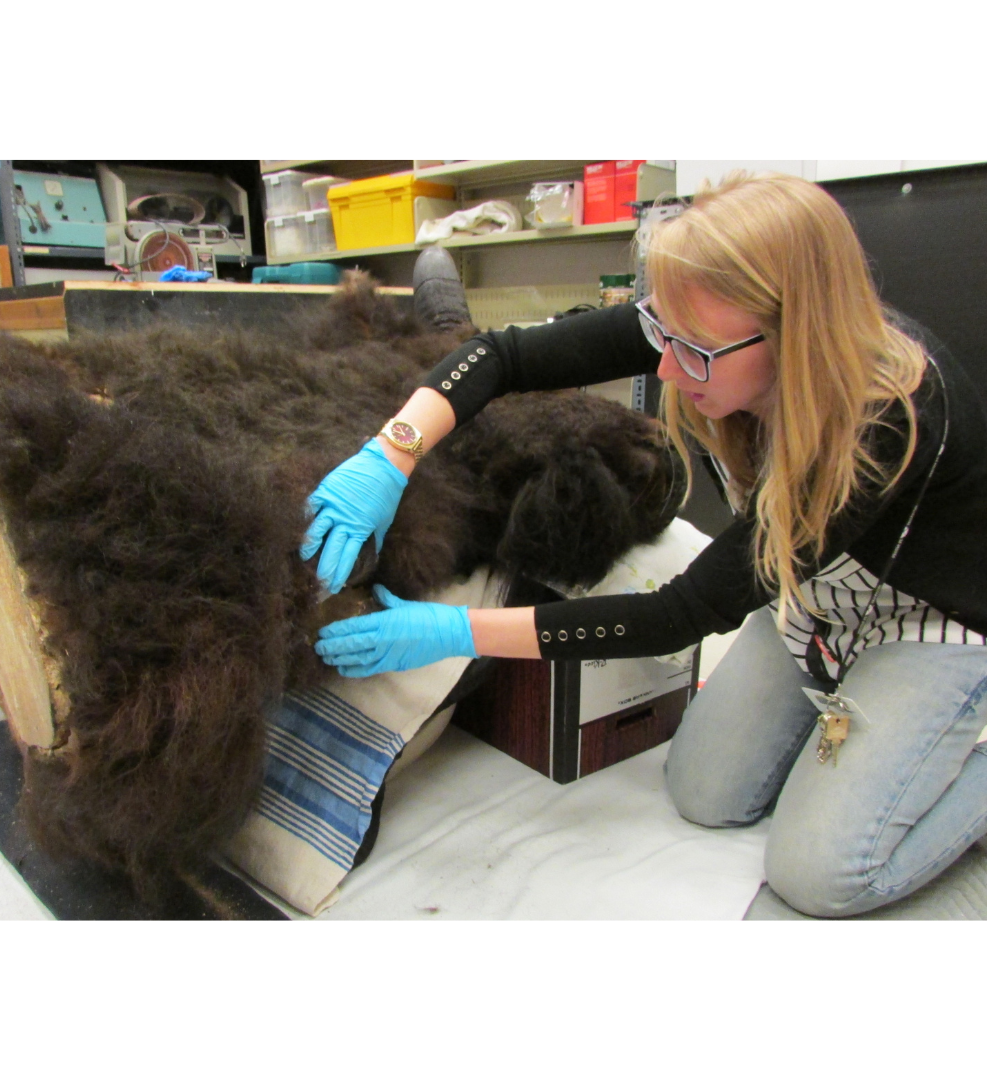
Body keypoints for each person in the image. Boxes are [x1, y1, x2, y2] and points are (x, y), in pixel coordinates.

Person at [301, 171, 987, 918]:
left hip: (924, 618)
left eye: (693, 353)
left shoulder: (883, 424)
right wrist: (391, 453)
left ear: (794, 332)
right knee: (704, 793)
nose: (664, 367)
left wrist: (449, 631)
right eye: (663, 334)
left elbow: (677, 615)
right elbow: (503, 356)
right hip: (805, 593)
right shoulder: (703, 318)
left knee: (820, 875)